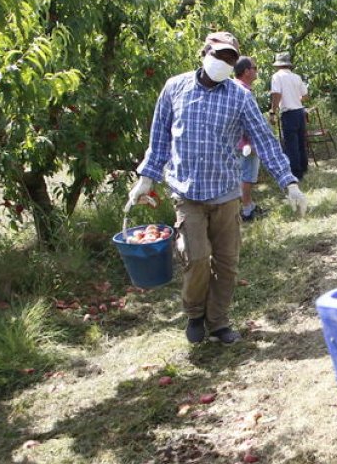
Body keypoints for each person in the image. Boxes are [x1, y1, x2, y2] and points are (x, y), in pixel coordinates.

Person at [127, 32, 307, 345]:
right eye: (220, 55)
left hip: (226, 192)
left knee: (226, 264)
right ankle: (195, 313)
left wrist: (288, 181)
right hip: (187, 193)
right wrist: (146, 178)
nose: (225, 63)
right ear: (205, 53)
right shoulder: (175, 88)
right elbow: (159, 140)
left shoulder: (239, 97)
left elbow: (264, 140)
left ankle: (219, 320)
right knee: (196, 259)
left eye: (230, 59)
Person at [269, 52, 309, 182]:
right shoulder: (296, 77)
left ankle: (296, 173)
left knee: (291, 144)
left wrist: (272, 111)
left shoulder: (277, 77)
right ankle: (303, 167)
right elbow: (305, 95)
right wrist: (295, 99)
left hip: (288, 113)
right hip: (299, 111)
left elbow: (276, 95)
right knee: (301, 141)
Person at [233, 56, 264, 223]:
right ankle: (246, 210)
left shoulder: (235, 88)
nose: (256, 70)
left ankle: (249, 205)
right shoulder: (243, 91)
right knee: (247, 176)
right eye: (254, 67)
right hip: (245, 143)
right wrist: (251, 141)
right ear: (246, 71)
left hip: (238, 142)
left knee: (244, 175)